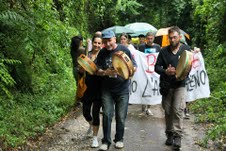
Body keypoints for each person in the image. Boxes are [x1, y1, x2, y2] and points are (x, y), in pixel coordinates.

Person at [95, 31, 137, 151]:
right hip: (107, 89)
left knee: (121, 116)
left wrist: (130, 71)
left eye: (109, 40)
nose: (107, 44)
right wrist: (105, 72)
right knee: (107, 115)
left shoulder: (124, 49)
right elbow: (96, 69)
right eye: (105, 41)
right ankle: (106, 141)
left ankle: (119, 139)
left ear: (114, 39)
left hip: (122, 89)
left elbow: (134, 65)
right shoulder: (102, 52)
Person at [154, 26, 191, 150]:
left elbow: (191, 66)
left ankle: (177, 136)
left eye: (174, 37)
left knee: (178, 110)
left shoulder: (186, 50)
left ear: (180, 37)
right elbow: (156, 67)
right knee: (168, 111)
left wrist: (183, 73)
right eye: (170, 38)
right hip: (167, 86)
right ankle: (169, 133)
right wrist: (166, 71)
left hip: (180, 85)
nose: (172, 40)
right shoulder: (164, 51)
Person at [81, 35, 102, 148]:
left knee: (96, 113)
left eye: (99, 43)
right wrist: (81, 68)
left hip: (99, 88)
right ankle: (91, 124)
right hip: (88, 88)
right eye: (95, 42)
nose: (97, 45)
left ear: (101, 44)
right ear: (92, 43)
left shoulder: (103, 55)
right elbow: (81, 71)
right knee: (85, 112)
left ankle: (95, 138)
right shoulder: (87, 55)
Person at [138, 32, 161, 116]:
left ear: (153, 38)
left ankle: (148, 107)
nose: (150, 40)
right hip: (143, 71)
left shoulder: (158, 47)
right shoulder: (141, 47)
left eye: (151, 38)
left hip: (153, 72)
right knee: (143, 88)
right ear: (145, 39)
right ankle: (143, 104)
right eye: (148, 39)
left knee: (151, 89)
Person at [70, 35, 85, 107]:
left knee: (78, 84)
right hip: (80, 69)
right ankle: (79, 100)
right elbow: (87, 56)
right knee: (82, 85)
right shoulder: (81, 50)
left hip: (74, 69)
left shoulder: (72, 49)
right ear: (80, 42)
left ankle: (78, 100)